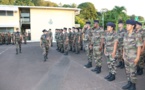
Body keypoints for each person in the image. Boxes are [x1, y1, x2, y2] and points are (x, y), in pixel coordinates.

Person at [122, 20, 142, 90]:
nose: (126, 26)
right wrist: (123, 54)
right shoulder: (126, 34)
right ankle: (129, 83)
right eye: (126, 25)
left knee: (133, 72)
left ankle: (133, 86)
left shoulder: (136, 34)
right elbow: (124, 45)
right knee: (127, 71)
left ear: (133, 26)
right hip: (126, 56)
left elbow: (139, 47)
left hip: (133, 57)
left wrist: (137, 57)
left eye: (128, 25)